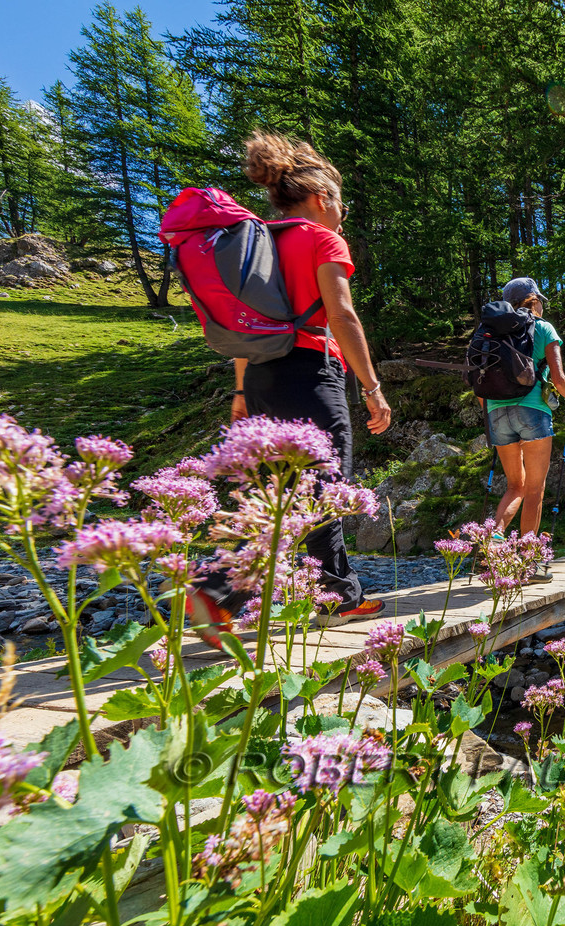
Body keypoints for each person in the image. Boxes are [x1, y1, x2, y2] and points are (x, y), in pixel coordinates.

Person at [194, 131, 392, 634]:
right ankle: (227, 594)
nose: (342, 215)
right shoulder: (323, 238)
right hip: (310, 371)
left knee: (273, 491)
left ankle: (228, 592)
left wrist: (241, 391)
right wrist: (371, 387)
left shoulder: (258, 241)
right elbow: (342, 316)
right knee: (321, 487)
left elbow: (250, 325)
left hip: (261, 375)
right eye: (340, 205)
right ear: (321, 199)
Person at [484, 277, 565, 581]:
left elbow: (479, 380)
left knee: (515, 485)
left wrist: (490, 414)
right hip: (533, 412)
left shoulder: (490, 332)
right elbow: (559, 375)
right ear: (533, 301)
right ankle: (529, 562)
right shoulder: (543, 327)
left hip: (496, 411)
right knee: (535, 490)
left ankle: (495, 538)